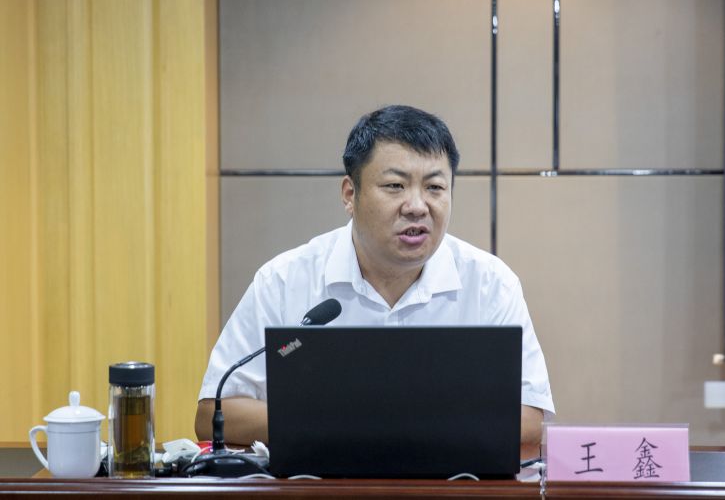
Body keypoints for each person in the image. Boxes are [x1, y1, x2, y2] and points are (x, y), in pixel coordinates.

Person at [195, 105, 554, 455]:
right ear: (350, 194)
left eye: (434, 187)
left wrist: (381, 422)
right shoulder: (284, 282)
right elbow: (214, 414)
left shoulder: (490, 284)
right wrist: (353, 423)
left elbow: (528, 419)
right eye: (395, 185)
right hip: (317, 484)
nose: (417, 206)